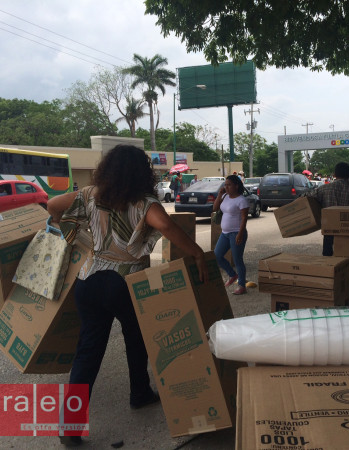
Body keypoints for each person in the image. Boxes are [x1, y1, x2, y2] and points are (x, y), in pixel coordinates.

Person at [47, 145, 208, 446]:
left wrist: (75, 235)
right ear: (141, 172)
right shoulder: (143, 202)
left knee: (88, 352)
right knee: (136, 338)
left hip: (89, 280)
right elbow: (166, 225)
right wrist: (197, 253)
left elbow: (53, 205)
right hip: (125, 282)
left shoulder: (90, 195)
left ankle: (70, 426)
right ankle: (139, 393)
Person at [305, 162, 349, 256]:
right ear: (348, 175)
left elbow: (308, 199)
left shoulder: (324, 189)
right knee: (346, 256)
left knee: (328, 257)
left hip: (329, 228)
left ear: (334, 175)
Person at [213, 175, 249, 295]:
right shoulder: (225, 196)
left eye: (229, 185)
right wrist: (219, 195)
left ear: (236, 186)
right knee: (217, 255)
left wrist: (240, 233)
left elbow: (244, 219)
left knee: (238, 260)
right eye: (225, 185)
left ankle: (242, 285)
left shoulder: (241, 200)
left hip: (236, 233)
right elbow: (215, 208)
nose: (226, 187)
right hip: (225, 233)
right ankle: (232, 275)